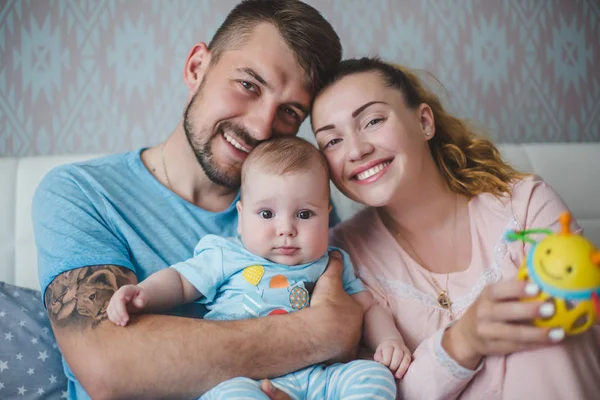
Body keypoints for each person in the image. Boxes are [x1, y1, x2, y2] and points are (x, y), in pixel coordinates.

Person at [32, 1, 364, 399]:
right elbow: (111, 368)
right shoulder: (82, 193)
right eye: (248, 85)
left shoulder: (299, 207)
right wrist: (322, 332)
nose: (261, 126)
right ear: (196, 68)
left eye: (290, 112)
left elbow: (350, 353)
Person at [310, 57, 600, 399]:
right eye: (332, 141)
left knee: (546, 331)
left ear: (423, 122)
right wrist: (461, 341)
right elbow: (374, 391)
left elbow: (576, 327)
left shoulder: (526, 205)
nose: (357, 150)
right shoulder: (339, 259)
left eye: (372, 121)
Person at [107, 136, 404, 399]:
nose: (286, 228)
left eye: (304, 214)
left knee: (373, 376)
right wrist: (143, 293)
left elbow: (368, 307)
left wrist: (389, 340)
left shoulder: (332, 262)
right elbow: (181, 282)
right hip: (242, 377)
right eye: (266, 213)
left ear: (327, 215)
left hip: (319, 377)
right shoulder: (226, 253)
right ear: (241, 216)